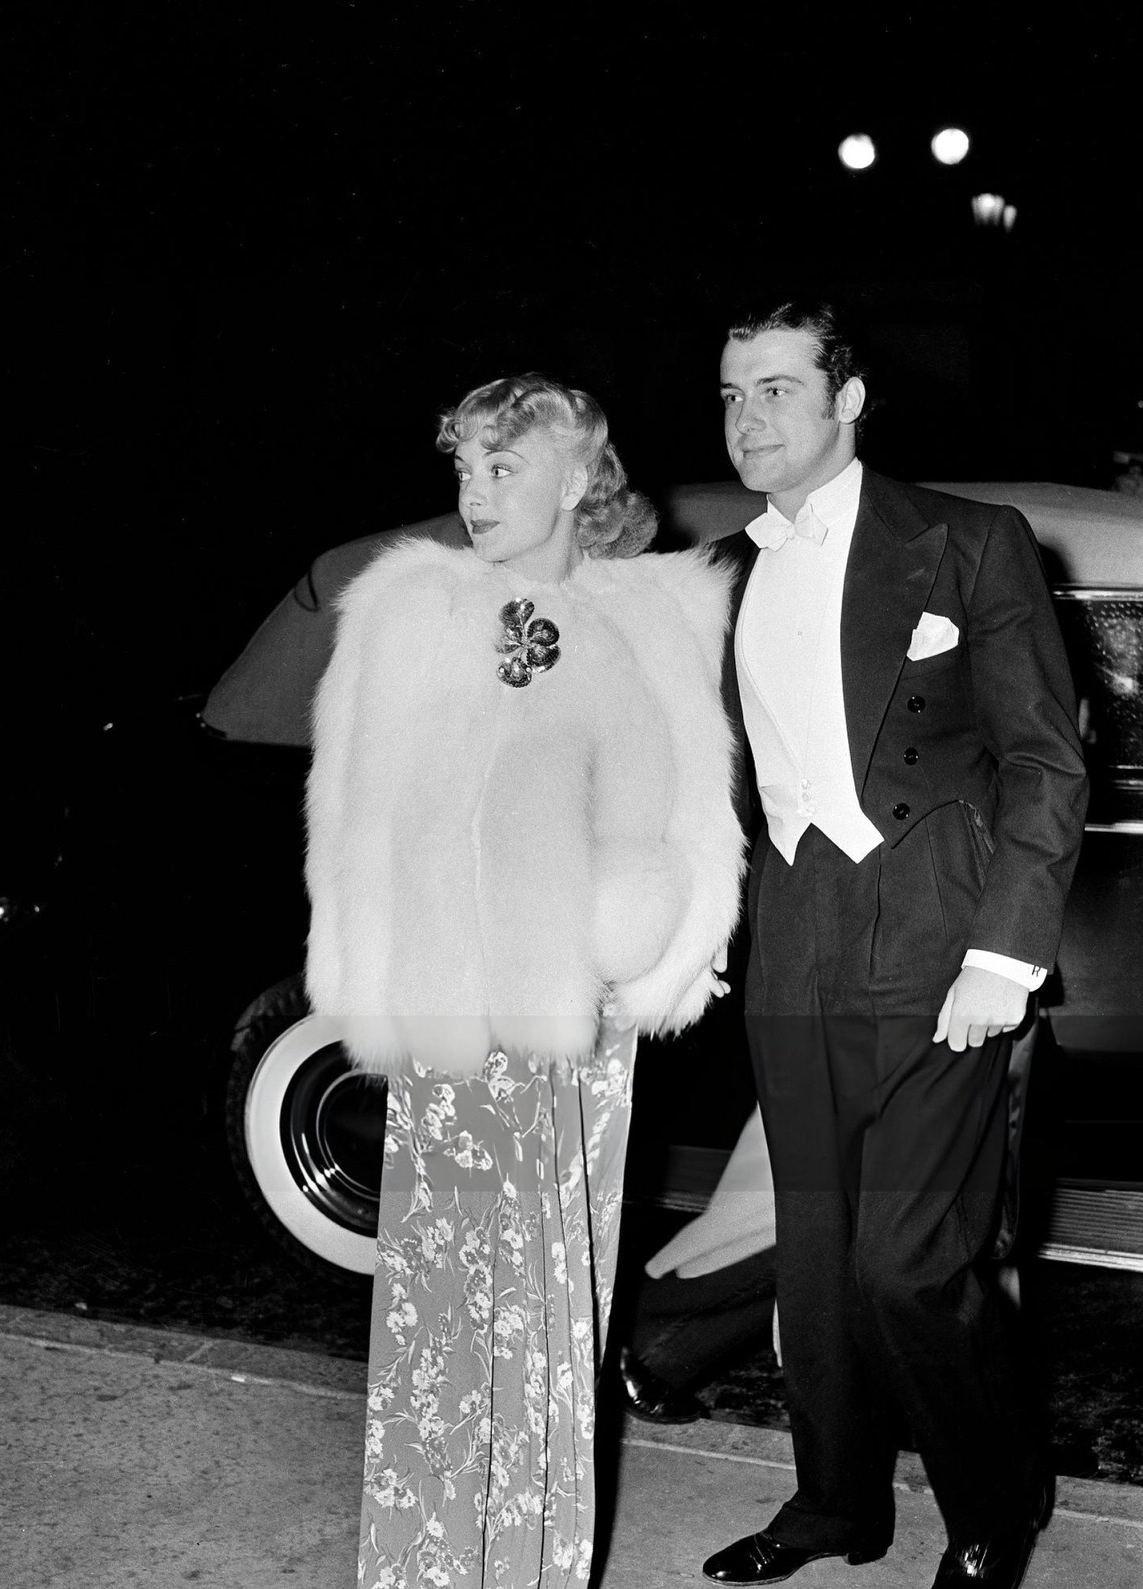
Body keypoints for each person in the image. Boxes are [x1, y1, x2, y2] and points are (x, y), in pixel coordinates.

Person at [304, 373, 746, 1588]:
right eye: (465, 466)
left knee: (556, 1307)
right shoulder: (411, 610)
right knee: (442, 1310)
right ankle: (422, 1569)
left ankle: (535, 1567)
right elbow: (358, 817)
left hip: (583, 1030)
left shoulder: (651, 616)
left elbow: (688, 816)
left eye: (505, 465)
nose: (475, 489)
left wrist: (653, 951)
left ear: (576, 478)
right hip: (452, 1013)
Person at [699, 299, 1088, 1589]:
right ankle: (832, 1505)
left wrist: (1004, 953)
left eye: (774, 389)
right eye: (731, 395)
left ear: (847, 399)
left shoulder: (967, 541)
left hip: (935, 939)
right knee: (812, 1261)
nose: (747, 417)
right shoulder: (722, 569)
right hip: (793, 940)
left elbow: (1042, 758)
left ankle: (993, 1501)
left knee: (907, 1263)